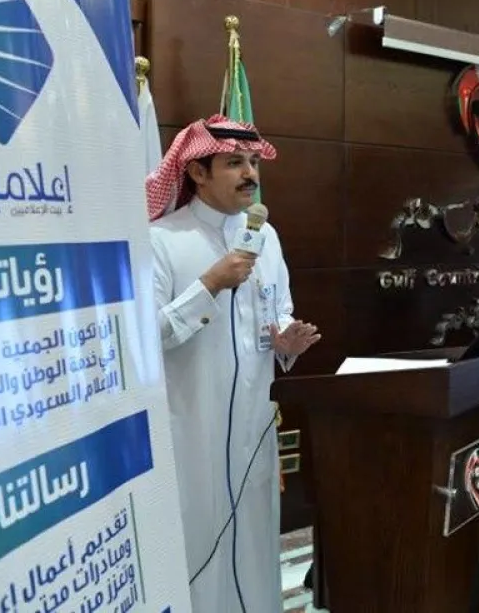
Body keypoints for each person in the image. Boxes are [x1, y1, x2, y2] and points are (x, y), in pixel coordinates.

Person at [148, 114, 320, 613]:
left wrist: (287, 340)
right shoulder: (161, 240)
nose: (250, 174)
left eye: (253, 162)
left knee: (256, 539)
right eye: (234, 163)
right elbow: (145, 337)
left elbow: (277, 311)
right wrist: (210, 285)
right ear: (196, 172)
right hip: (192, 432)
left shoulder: (267, 237)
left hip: (253, 427)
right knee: (200, 544)